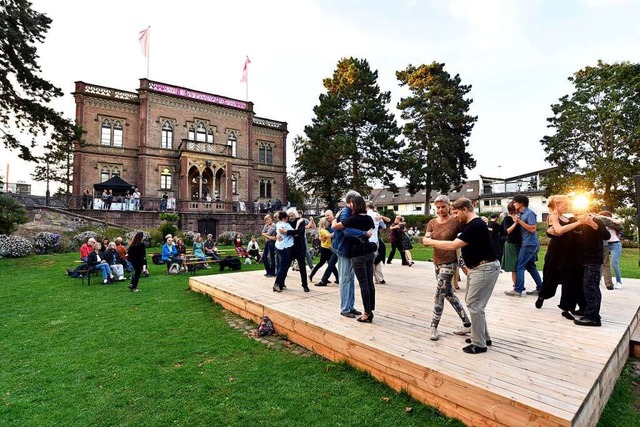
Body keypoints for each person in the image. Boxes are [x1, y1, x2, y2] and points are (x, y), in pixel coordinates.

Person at [423, 197, 500, 354]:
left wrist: (430, 242)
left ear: (465, 209)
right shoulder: (473, 224)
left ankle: (478, 344)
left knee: (474, 304)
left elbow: (454, 245)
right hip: (478, 268)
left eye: (456, 212)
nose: (455, 215)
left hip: (484, 268)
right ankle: (483, 337)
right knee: (474, 304)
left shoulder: (475, 225)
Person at [425, 195, 472, 341]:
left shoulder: (455, 221)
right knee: (448, 294)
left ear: (448, 206)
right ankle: (467, 322)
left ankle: (433, 326)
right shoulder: (432, 223)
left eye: (443, 207)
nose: (440, 210)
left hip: (450, 262)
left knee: (439, 293)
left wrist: (482, 220)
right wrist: (428, 239)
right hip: (437, 262)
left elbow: (469, 225)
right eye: (438, 207)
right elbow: (425, 240)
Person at [534, 195, 586, 319]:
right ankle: (542, 296)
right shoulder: (553, 216)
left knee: (570, 281)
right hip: (556, 254)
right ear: (556, 204)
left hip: (570, 254)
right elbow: (559, 230)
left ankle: (566, 308)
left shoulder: (569, 219)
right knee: (550, 278)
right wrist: (578, 222)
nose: (567, 206)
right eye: (564, 204)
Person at [332, 191, 368, 318]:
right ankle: (345, 308)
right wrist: (364, 234)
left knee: (350, 278)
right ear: (351, 202)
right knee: (345, 278)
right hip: (344, 249)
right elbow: (346, 230)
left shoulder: (350, 212)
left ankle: (350, 306)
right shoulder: (346, 212)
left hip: (349, 249)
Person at [340, 195, 376, 323]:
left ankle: (367, 313)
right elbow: (370, 230)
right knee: (370, 282)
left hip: (357, 254)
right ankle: (370, 309)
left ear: (354, 206)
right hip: (369, 252)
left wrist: (334, 221)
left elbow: (339, 228)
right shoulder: (369, 219)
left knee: (363, 284)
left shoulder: (352, 219)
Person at [571, 213, 610, 326]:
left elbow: (606, 235)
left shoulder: (597, 221)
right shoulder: (575, 222)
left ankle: (592, 317)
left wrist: (592, 223)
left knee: (591, 288)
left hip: (592, 260)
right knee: (584, 287)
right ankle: (587, 311)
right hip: (580, 260)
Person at [505, 194, 542, 297]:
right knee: (531, 266)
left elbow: (533, 229)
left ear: (521, 203)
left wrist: (519, 221)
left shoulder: (529, 213)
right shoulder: (521, 214)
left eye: (515, 202)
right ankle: (540, 288)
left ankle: (518, 290)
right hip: (528, 244)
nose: (514, 204)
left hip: (529, 244)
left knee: (520, 266)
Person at [279, 207, 310, 292]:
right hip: (290, 248)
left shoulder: (301, 221)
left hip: (300, 248)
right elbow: (283, 230)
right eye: (289, 216)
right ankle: (281, 283)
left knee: (302, 267)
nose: (291, 217)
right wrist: (289, 233)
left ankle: (305, 285)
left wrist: (287, 232)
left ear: (295, 215)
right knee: (286, 265)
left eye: (292, 215)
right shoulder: (288, 222)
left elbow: (299, 232)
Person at [598, 211, 624, 290]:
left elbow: (620, 224)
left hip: (615, 244)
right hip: (605, 244)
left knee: (614, 264)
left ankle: (619, 282)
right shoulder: (600, 223)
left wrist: (609, 218)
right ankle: (599, 280)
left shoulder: (614, 223)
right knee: (602, 263)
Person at [309, 218, 338, 284]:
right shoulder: (322, 230)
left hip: (327, 249)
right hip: (325, 249)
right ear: (324, 223)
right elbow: (328, 236)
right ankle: (312, 275)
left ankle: (335, 278)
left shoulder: (324, 230)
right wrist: (337, 231)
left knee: (330, 264)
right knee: (328, 264)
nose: (328, 223)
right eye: (327, 222)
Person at [317, 210, 340, 287]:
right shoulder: (328, 225)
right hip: (333, 247)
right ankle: (336, 279)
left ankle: (324, 280)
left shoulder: (336, 222)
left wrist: (331, 235)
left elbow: (338, 231)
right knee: (331, 263)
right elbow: (323, 234)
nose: (327, 217)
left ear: (332, 215)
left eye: (328, 215)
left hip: (338, 246)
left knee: (331, 264)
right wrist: (321, 238)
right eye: (326, 216)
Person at [501, 202, 521, 289]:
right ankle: (516, 285)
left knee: (519, 266)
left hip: (520, 244)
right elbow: (507, 231)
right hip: (511, 244)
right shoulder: (507, 219)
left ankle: (519, 285)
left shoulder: (521, 217)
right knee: (514, 266)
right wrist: (516, 222)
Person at [273, 211, 294, 292]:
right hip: (285, 247)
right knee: (283, 267)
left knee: (283, 266)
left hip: (278, 246)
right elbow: (295, 233)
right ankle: (277, 284)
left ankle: (281, 283)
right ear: (285, 218)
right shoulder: (286, 225)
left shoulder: (278, 224)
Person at [370, 204, 390, 285]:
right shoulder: (368, 216)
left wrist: (380, 217)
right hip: (372, 239)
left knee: (378, 256)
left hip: (376, 239)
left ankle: (379, 277)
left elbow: (385, 225)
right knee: (373, 258)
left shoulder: (377, 216)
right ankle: (378, 277)